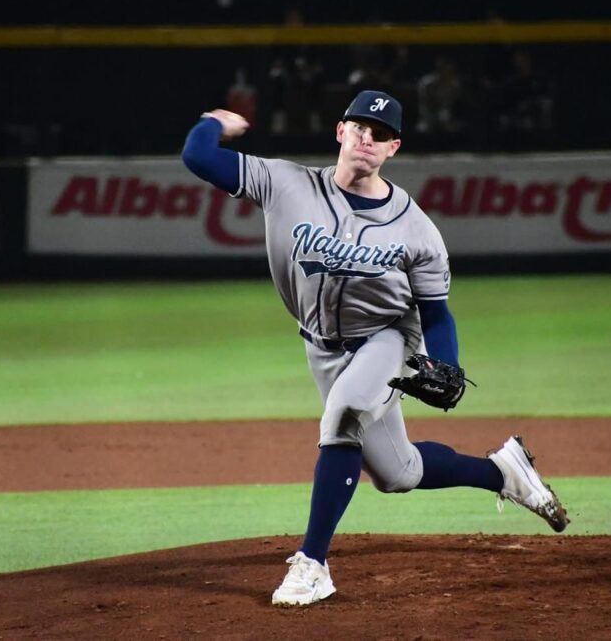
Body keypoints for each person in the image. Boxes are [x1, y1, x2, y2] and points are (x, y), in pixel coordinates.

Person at [181, 90, 569, 607]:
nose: (368, 137)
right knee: (397, 473)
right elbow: (198, 156)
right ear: (340, 131)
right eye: (360, 127)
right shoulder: (285, 183)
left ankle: (312, 564)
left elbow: (435, 313)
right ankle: (503, 471)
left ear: (393, 148)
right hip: (321, 347)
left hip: (388, 339)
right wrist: (215, 122)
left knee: (342, 419)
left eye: (381, 134)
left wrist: (447, 364)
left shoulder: (417, 229)